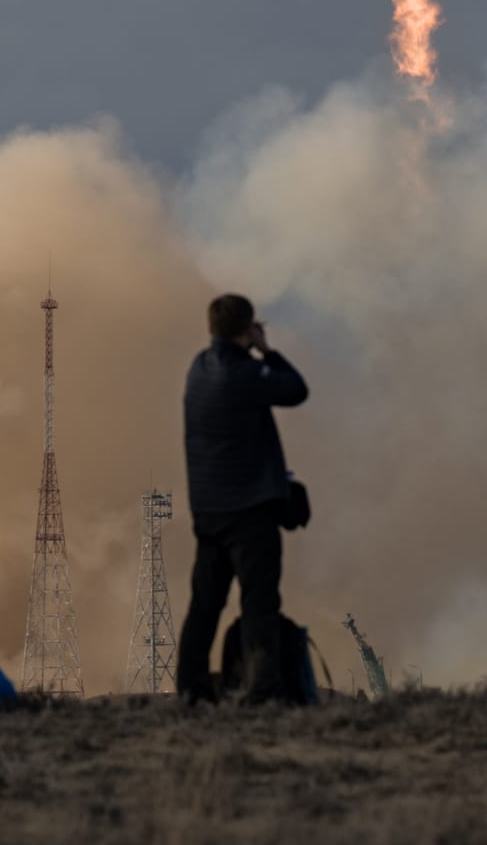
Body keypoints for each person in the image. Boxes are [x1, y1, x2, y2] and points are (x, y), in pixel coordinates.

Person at [177, 293, 309, 704]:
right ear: (246, 328)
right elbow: (296, 390)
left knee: (206, 604)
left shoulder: (198, 370)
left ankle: (190, 689)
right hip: (249, 512)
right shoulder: (246, 374)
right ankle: (261, 689)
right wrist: (267, 350)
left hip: (208, 509)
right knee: (259, 604)